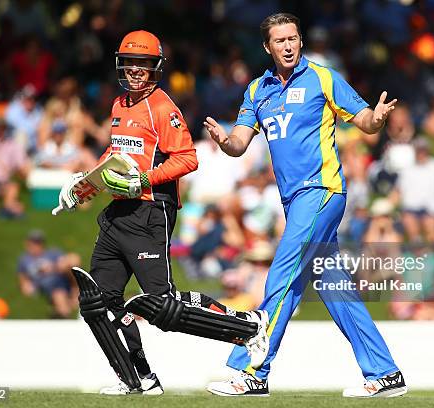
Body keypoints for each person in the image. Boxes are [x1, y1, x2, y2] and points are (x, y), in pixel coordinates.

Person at [55, 30, 269, 396]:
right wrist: (84, 184)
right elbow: (118, 155)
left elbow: (188, 158)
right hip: (118, 213)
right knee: (98, 303)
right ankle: (138, 379)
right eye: (130, 63)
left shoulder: (162, 107)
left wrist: (144, 181)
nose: (136, 70)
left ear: (155, 67)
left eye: (143, 64)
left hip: (151, 211)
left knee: (158, 305)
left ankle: (248, 328)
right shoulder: (119, 104)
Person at [203, 13, 406, 398]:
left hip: (322, 190)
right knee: (333, 285)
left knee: (283, 274)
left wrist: (377, 119)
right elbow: (239, 144)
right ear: (268, 47)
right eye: (280, 41)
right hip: (294, 200)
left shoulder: (322, 77)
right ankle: (385, 372)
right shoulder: (256, 91)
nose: (289, 45)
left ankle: (252, 370)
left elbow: (364, 120)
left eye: (294, 38)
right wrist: (222, 140)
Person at [16, 230, 78, 318]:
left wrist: (51, 268)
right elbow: (22, 278)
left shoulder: (52, 253)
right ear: (27, 243)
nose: (35, 245)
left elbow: (67, 262)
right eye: (33, 242)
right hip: (45, 283)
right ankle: (64, 313)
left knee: (73, 259)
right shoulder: (24, 259)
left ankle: (75, 291)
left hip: (61, 277)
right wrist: (25, 285)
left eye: (38, 242)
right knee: (57, 291)